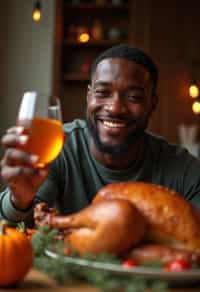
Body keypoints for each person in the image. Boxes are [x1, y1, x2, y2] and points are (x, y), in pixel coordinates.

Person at [0, 44, 200, 227]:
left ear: (152, 104)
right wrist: (19, 201)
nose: (115, 108)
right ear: (89, 97)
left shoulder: (182, 169)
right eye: (103, 93)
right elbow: (14, 233)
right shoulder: (56, 148)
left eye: (133, 97)